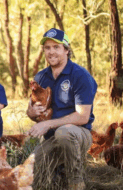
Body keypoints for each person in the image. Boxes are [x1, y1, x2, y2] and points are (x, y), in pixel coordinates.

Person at [26, 28, 97, 190]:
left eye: (56, 47)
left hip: (78, 134)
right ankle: (59, 171)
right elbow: (32, 111)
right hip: (52, 137)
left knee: (64, 132)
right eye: (47, 47)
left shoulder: (80, 76)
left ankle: (76, 181)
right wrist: (31, 113)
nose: (51, 52)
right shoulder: (41, 77)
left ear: (66, 50)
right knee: (32, 170)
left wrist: (48, 124)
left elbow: (82, 117)